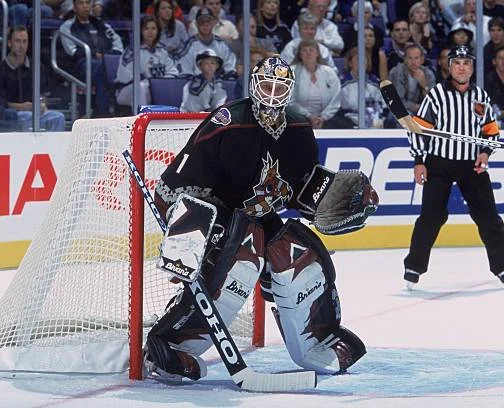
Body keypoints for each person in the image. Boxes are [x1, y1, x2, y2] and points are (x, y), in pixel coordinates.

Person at [144, 55, 375, 383]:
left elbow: (298, 187)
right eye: (266, 85)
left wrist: (327, 198)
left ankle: (317, 340)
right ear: (254, 85)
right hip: (219, 218)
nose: (272, 94)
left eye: (280, 87)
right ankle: (170, 343)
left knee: (301, 257)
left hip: (260, 216)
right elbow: (177, 184)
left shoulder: (298, 127)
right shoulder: (228, 121)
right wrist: (185, 237)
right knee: (243, 257)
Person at [403, 45, 504, 291]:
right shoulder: (436, 95)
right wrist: (419, 161)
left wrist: (485, 152)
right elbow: (418, 129)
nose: (462, 67)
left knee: (489, 217)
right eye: (457, 62)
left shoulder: (481, 97)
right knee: (431, 217)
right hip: (439, 164)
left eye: (466, 63)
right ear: (449, 66)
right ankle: (414, 266)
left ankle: (501, 266)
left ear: (472, 68)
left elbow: (491, 131)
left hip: (471, 165)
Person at [59, 0, 123, 117]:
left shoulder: (102, 25)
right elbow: (72, 51)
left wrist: (104, 56)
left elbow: (118, 46)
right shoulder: (67, 26)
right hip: (81, 65)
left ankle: (110, 109)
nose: (85, 6)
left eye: (88, 2)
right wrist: (94, 54)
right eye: (81, 3)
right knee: (103, 68)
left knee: (111, 67)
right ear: (74, 7)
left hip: (104, 63)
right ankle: (103, 111)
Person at [0, 26, 65, 132]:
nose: (21, 45)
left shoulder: (37, 66)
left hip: (34, 111)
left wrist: (41, 105)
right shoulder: (0, 69)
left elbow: (43, 93)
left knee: (58, 117)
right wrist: (22, 106)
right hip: (11, 114)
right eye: (17, 41)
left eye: (25, 41)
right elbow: (1, 102)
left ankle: (52, 148)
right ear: (10, 43)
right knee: (27, 116)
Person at [115, 15, 179, 110]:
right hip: (127, 91)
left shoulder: (162, 51)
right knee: (140, 87)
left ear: (158, 31)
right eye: (146, 28)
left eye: (153, 28)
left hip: (156, 90)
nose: (150, 32)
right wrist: (147, 82)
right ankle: (143, 120)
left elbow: (173, 72)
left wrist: (159, 84)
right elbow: (123, 77)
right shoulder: (132, 51)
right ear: (140, 31)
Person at [290, 39, 343, 129]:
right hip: (299, 117)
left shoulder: (329, 72)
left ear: (317, 53)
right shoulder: (292, 72)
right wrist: (309, 116)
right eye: (304, 50)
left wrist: (323, 117)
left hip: (327, 119)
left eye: (311, 50)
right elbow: (290, 100)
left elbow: (336, 99)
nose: (308, 53)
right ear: (300, 54)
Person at [175, 7, 236, 78]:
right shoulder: (189, 45)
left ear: (213, 23)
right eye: (202, 22)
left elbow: (230, 70)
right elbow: (185, 73)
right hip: (195, 85)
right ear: (196, 24)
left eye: (208, 21)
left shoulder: (221, 44)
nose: (205, 24)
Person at [389, 43, 435, 114]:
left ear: (422, 60)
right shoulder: (396, 72)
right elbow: (398, 100)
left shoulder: (428, 74)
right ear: (405, 59)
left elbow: (433, 102)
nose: (413, 62)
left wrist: (424, 85)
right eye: (410, 58)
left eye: (416, 58)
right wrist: (416, 107)